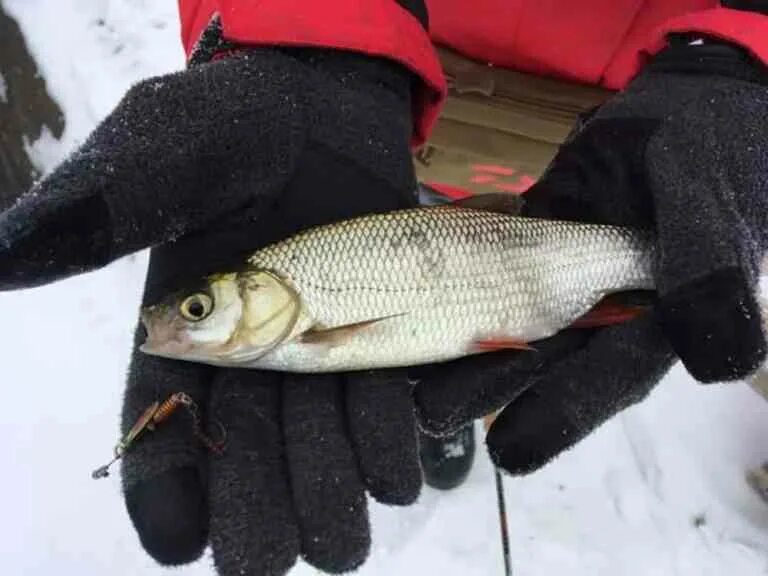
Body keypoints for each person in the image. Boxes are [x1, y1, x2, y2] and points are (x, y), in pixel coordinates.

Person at [1, 1, 767, 575]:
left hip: (660, 93)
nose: (187, 317)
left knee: (627, 223)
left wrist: (744, 53)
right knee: (413, 194)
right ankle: (445, 381)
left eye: (198, 309)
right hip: (398, 66)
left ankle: (449, 379)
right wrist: (317, 23)